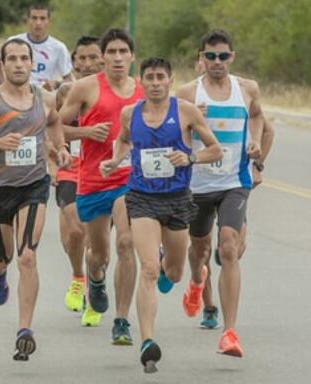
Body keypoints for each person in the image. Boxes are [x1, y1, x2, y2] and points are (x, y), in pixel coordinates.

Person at [99, 57, 222, 373]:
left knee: (175, 272)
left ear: (170, 80)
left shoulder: (185, 112)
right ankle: (148, 342)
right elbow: (124, 140)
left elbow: (215, 150)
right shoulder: (131, 113)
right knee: (149, 269)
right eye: (149, 77)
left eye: (160, 77)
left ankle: (182, 270)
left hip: (178, 199)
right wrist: (115, 160)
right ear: (141, 80)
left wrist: (190, 156)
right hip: (141, 198)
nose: (155, 82)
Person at [0, 38, 71, 362]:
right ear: (3, 65)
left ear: (31, 63)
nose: (20, 64)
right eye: (13, 59)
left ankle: (24, 330)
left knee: (27, 257)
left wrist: (60, 149)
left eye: (25, 59)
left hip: (33, 186)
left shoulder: (44, 99)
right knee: (4, 257)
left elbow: (54, 123)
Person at [176, 29, 270, 358]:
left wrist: (255, 145)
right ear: (202, 58)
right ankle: (196, 281)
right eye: (211, 56)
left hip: (235, 180)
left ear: (232, 57)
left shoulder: (247, 89)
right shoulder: (188, 92)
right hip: (198, 185)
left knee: (229, 248)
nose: (217, 62)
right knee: (200, 250)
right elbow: (174, 133)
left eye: (223, 56)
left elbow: (258, 117)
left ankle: (230, 333)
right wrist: (190, 118)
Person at [58, 28, 143, 345]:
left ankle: (121, 320)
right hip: (93, 182)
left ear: (132, 56)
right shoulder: (84, 88)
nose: (118, 58)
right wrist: (86, 132)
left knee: (125, 243)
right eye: (112, 52)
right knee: (99, 255)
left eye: (124, 52)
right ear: (103, 57)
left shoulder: (142, 91)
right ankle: (94, 279)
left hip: (128, 181)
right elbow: (57, 127)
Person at [53, 35, 104, 319]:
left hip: (104, 173)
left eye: (93, 57)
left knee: (98, 245)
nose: (87, 63)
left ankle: (95, 287)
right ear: (73, 62)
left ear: (104, 59)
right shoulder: (65, 92)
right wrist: (54, 159)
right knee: (75, 232)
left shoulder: (117, 93)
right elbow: (54, 129)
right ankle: (77, 278)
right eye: (81, 58)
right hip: (71, 169)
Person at [0, 3, 73, 90]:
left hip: (43, 96)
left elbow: (69, 79)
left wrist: (56, 84)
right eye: (34, 18)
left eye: (42, 18)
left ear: (49, 21)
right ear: (28, 20)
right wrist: (4, 84)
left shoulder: (59, 48)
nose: (38, 23)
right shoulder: (13, 41)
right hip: (16, 93)